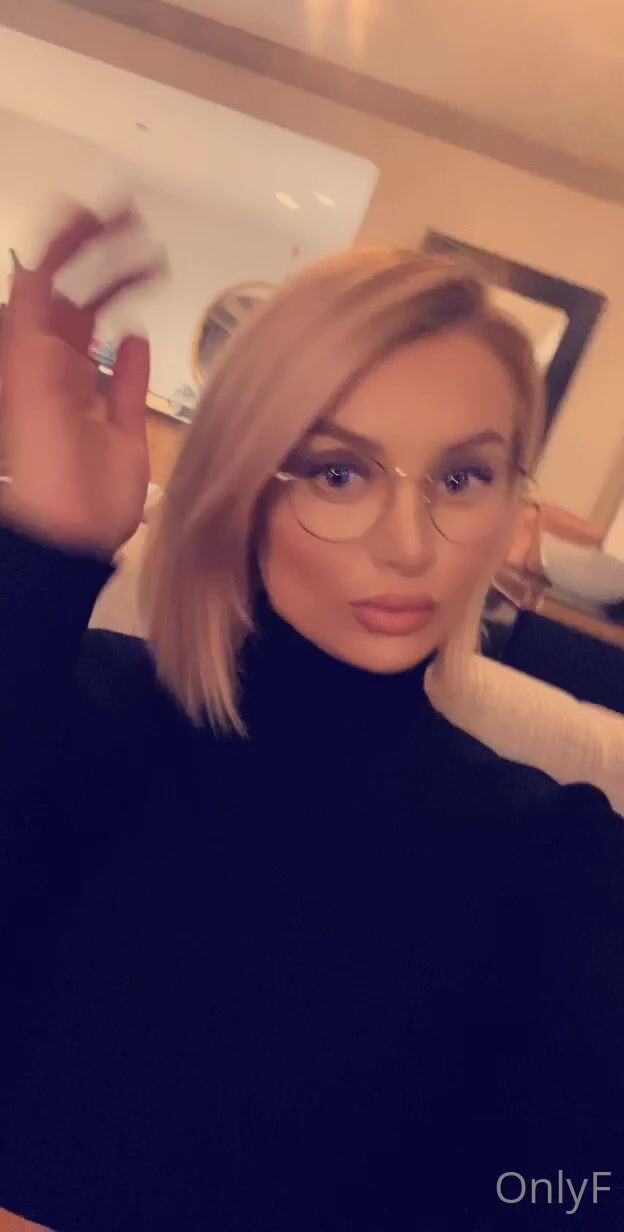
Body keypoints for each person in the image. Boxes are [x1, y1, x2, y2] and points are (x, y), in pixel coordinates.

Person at [0, 207, 622, 1232]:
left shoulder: (555, 865)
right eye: (339, 472)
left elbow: (576, 1196)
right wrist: (43, 551)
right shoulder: (69, 715)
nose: (410, 544)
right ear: (240, 481)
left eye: (462, 477)